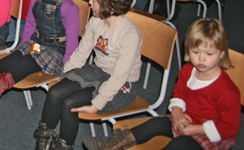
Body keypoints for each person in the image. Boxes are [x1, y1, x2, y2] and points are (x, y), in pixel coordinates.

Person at [84, 18, 240, 150]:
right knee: (155, 123)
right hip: (187, 118)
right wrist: (177, 114)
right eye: (196, 52)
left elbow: (230, 128)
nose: (201, 59)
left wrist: (199, 129)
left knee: (180, 144)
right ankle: (112, 145)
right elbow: (179, 94)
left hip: (213, 133)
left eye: (209, 54)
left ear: (221, 54)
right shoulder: (188, 70)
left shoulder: (227, 91)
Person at [33, 0, 142, 150]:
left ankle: (63, 146)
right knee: (55, 92)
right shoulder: (96, 21)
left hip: (122, 85)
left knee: (70, 103)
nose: (89, 2)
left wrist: (98, 103)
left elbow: (119, 77)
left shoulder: (129, 35)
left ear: (110, 2)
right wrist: (65, 76)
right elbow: (81, 53)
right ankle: (42, 143)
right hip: (98, 72)